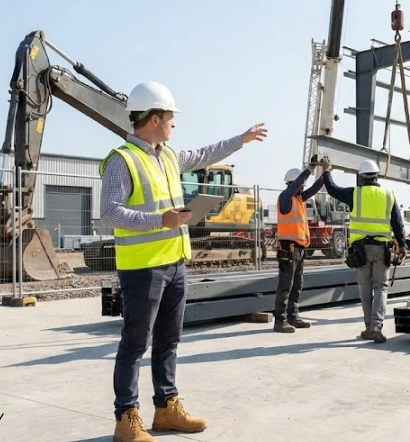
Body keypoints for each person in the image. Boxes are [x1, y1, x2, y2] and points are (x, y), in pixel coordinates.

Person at [98, 81, 267, 442]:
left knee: (169, 340)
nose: (174, 124)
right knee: (134, 343)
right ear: (155, 118)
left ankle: (166, 408)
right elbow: (110, 214)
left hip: (175, 263)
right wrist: (162, 220)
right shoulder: (122, 159)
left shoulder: (169, 156)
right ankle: (126, 419)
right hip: (142, 267)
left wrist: (241, 139)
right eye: (171, 117)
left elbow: (205, 154)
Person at [318, 156, 406, 343]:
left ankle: (369, 326)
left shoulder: (354, 194)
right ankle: (376, 326)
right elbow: (398, 224)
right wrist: (403, 246)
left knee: (365, 288)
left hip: (361, 251)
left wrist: (327, 171)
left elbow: (332, 190)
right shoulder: (389, 195)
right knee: (381, 287)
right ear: (377, 177)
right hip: (382, 249)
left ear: (361, 177)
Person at [273, 155, 325, 333]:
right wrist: (309, 169)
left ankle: (293, 315)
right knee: (285, 284)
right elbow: (298, 184)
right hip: (288, 248)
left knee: (297, 284)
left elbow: (313, 189)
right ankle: (280, 319)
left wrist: (325, 173)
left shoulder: (298, 199)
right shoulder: (286, 197)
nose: (303, 187)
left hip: (299, 248)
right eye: (300, 184)